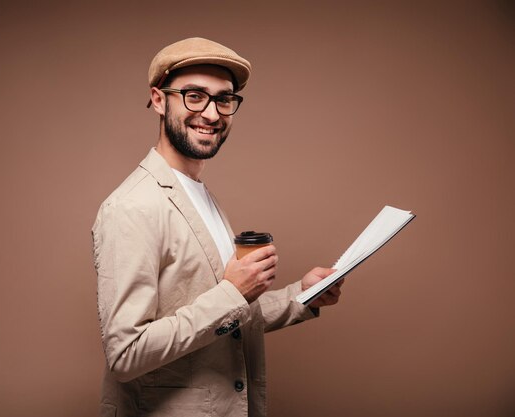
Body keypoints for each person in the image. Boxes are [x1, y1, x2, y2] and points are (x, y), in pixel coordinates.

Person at [91, 37, 343, 417]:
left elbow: (224, 314)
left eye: (223, 99)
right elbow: (126, 354)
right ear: (159, 100)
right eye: (194, 96)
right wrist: (232, 292)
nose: (211, 114)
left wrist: (301, 296)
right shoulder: (132, 207)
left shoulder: (197, 194)